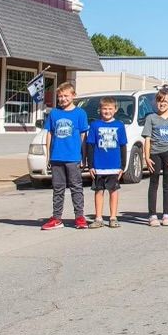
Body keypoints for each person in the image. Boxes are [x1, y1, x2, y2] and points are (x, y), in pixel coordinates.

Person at [41, 82, 89, 230]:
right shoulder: (54, 113)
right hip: (57, 157)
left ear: (73, 96)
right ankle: (56, 218)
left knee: (76, 187)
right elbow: (49, 134)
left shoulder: (80, 113)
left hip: (73, 157)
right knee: (58, 188)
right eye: (60, 96)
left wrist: (83, 156)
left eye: (66, 96)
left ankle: (80, 217)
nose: (63, 99)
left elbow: (83, 135)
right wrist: (49, 155)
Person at [142, 88, 168, 228]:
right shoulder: (151, 118)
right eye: (160, 101)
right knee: (153, 183)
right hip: (155, 153)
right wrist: (146, 157)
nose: (162, 104)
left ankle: (166, 214)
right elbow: (147, 139)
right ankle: (152, 215)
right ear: (156, 102)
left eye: (165, 101)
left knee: (167, 183)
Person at [86, 96, 128, 229]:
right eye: (104, 109)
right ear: (100, 110)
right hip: (99, 166)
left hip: (114, 166)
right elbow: (91, 146)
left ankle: (113, 217)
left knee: (113, 191)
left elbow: (123, 146)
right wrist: (91, 165)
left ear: (115, 110)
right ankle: (98, 218)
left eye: (110, 109)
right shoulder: (95, 125)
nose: (107, 111)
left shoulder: (119, 125)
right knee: (99, 191)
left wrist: (122, 166)